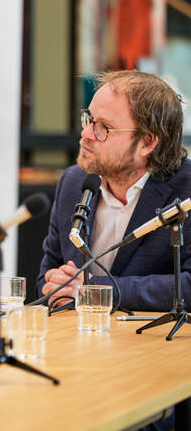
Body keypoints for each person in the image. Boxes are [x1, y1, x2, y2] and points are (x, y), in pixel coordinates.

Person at [37, 71, 191, 313]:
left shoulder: (187, 190)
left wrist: (92, 289)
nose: (86, 134)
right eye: (88, 119)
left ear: (148, 143)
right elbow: (48, 277)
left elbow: (188, 286)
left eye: (103, 128)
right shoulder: (73, 182)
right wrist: (57, 290)